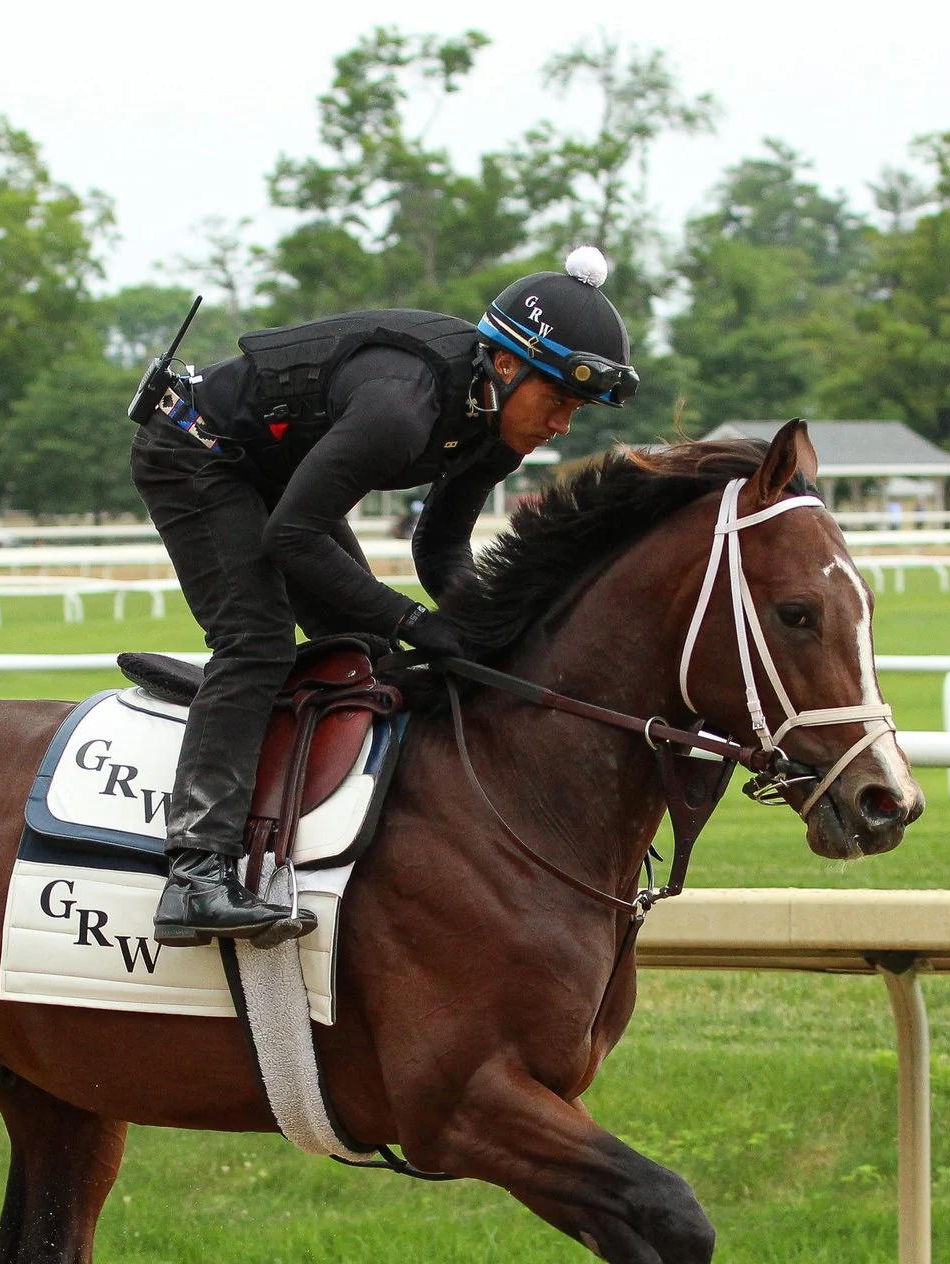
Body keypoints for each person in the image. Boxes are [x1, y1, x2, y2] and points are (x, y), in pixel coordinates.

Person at [131, 247, 637, 948]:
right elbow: (292, 539)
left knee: (364, 650)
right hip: (196, 451)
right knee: (257, 638)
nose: (562, 426)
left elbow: (440, 547)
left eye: (576, 410)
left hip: (272, 474)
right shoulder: (401, 410)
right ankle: (195, 874)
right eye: (559, 401)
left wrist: (482, 625)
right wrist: (414, 621)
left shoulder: (494, 423)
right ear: (509, 366)